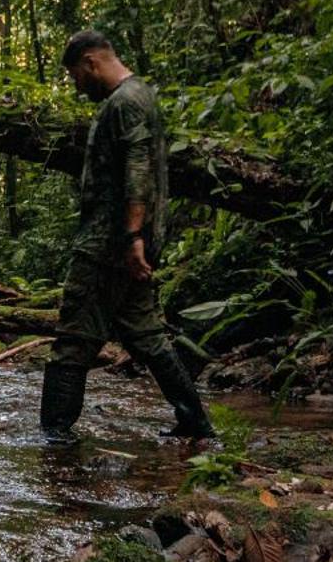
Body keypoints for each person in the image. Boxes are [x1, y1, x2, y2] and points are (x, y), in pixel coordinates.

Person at [40, 30, 214, 443]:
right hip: (125, 242)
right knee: (145, 333)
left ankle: (53, 435)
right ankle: (195, 422)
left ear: (90, 63)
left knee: (74, 338)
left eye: (74, 76)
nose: (76, 86)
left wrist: (132, 236)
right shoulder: (141, 96)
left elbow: (139, 168)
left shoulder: (124, 102)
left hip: (108, 245)